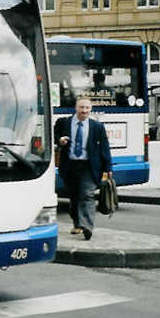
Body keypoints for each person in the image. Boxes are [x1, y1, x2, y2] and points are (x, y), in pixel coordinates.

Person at [54, 97, 113, 241]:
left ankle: (87, 226)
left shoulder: (97, 126)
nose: (84, 111)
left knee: (87, 195)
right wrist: (59, 140)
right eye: (82, 107)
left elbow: (104, 148)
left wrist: (108, 167)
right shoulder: (63, 122)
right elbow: (52, 135)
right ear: (76, 108)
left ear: (91, 110)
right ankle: (77, 223)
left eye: (87, 108)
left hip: (89, 166)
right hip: (70, 165)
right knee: (74, 197)